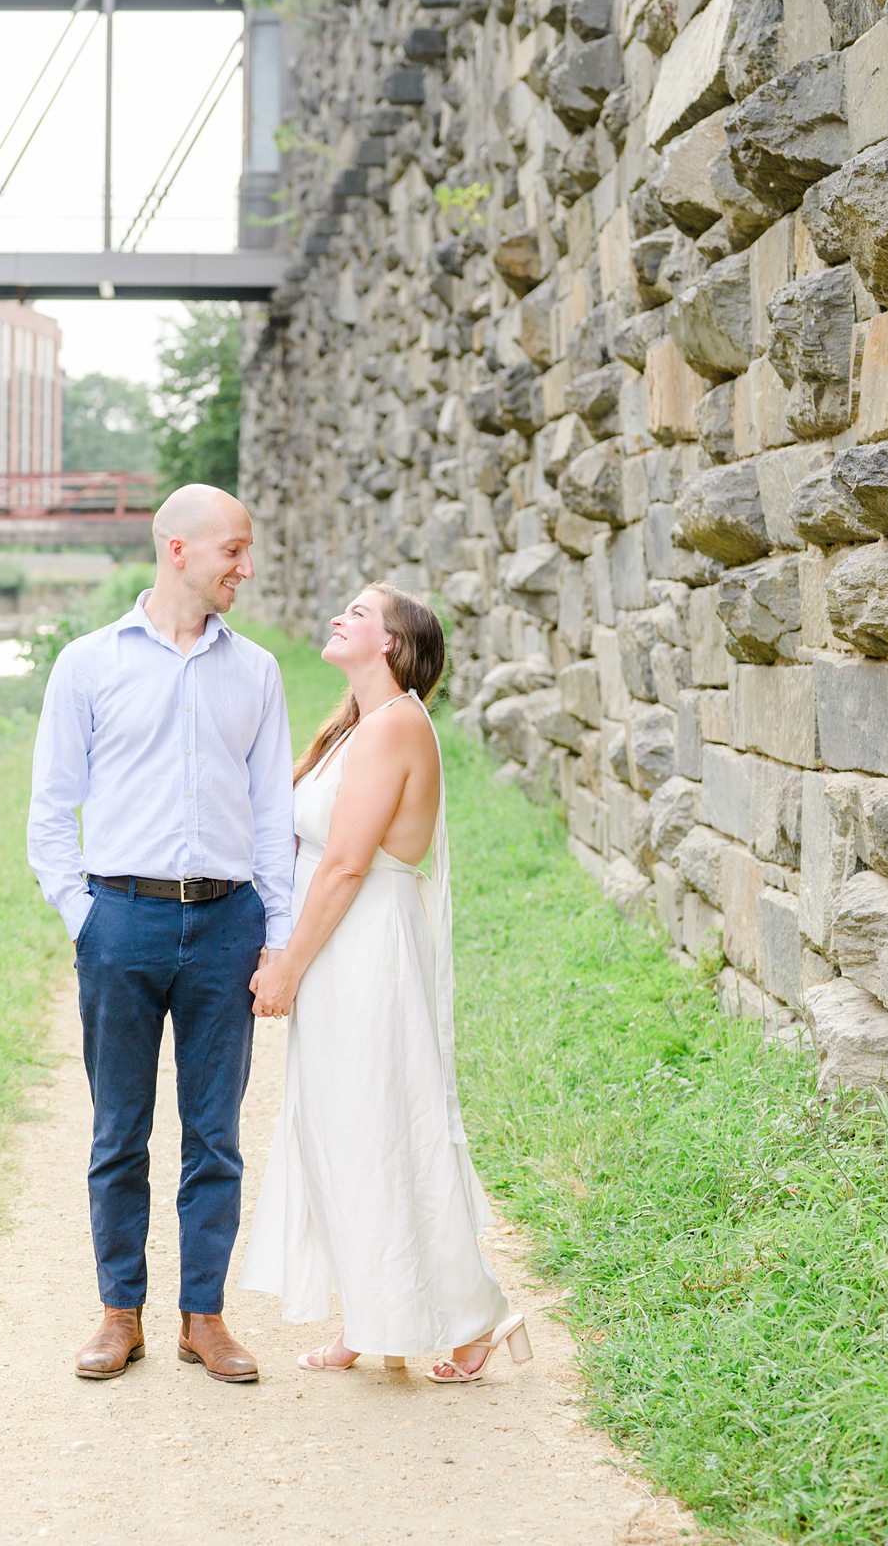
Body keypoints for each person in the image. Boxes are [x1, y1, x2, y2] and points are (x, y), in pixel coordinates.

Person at [27, 484, 296, 1384]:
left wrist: (276, 937)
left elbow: (272, 817)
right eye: (233, 550)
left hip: (227, 924)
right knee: (119, 1132)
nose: (245, 569)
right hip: (122, 923)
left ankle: (204, 1317)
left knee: (215, 1135)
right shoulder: (87, 664)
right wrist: (86, 915)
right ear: (176, 548)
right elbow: (49, 810)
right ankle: (119, 1312)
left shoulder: (254, 670)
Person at [239, 583, 530, 1383]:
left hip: (362, 950)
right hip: (347, 948)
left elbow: (344, 863)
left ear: (392, 645)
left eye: (361, 613)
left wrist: (286, 965)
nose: (340, 616)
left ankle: (474, 1319)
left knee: (377, 1126)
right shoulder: (359, 727)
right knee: (342, 1128)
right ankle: (372, 1316)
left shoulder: (394, 728)